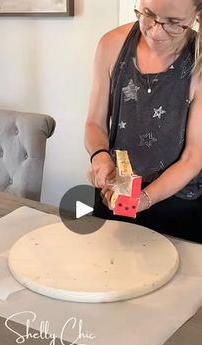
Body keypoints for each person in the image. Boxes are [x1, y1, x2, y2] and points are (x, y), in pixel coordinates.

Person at [85, 0, 202, 243]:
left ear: (196, 16)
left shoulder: (198, 61)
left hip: (179, 205)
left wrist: (145, 198)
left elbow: (193, 158)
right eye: (147, 15)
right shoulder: (111, 45)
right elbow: (94, 124)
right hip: (116, 189)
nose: (155, 31)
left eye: (173, 23)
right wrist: (100, 156)